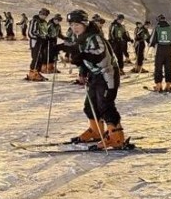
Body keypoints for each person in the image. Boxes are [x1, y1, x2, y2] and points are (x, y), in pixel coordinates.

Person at [62, 10, 126, 149]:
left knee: (105, 105)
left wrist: (82, 56)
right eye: (71, 25)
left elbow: (100, 57)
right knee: (90, 105)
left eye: (77, 24)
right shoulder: (80, 38)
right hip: (95, 75)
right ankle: (96, 131)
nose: (74, 28)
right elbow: (83, 58)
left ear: (85, 23)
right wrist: (82, 71)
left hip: (107, 74)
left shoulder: (95, 38)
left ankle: (116, 137)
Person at [149, 14, 171, 92]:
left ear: (158, 20)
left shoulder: (157, 28)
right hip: (169, 50)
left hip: (160, 50)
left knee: (158, 68)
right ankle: (168, 85)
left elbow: (152, 40)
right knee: (168, 68)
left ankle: (159, 86)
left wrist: (151, 45)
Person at [26, 8, 50, 81]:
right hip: (35, 43)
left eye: (45, 14)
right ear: (39, 13)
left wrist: (46, 37)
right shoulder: (35, 21)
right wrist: (38, 37)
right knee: (36, 58)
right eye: (42, 14)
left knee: (41, 58)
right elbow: (30, 33)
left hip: (42, 42)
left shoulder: (44, 22)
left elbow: (45, 32)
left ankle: (37, 72)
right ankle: (32, 73)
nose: (44, 15)